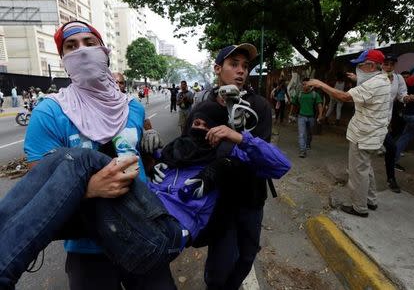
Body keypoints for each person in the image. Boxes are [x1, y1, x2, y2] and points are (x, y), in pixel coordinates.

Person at [0, 101, 291, 289]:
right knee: (65, 165)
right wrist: (144, 152)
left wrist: (240, 137)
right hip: (135, 223)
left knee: (79, 160)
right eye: (195, 124)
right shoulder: (173, 153)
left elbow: (280, 165)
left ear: (219, 130)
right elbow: (136, 169)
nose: (198, 130)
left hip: (166, 234)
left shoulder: (228, 158)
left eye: (207, 126)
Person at [23, 20, 169, 290]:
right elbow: (38, 183)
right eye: (71, 46)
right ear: (64, 60)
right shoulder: (50, 112)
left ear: (104, 53)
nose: (82, 51)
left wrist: (152, 153)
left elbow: (141, 156)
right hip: (88, 244)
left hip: (144, 229)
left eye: (90, 43)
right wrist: (87, 189)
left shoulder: (132, 107)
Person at [190, 43, 274, 290]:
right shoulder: (204, 109)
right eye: (233, 64)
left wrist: (239, 136)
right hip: (220, 202)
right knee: (220, 266)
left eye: (245, 66)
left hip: (252, 198)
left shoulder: (259, 106)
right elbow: (192, 155)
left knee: (247, 257)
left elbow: (264, 154)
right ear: (218, 69)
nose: (241, 71)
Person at [305, 49, 391, 217]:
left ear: (371, 65)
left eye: (361, 65)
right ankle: (371, 200)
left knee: (357, 172)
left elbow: (344, 97)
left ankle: (359, 207)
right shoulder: (383, 79)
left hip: (364, 135)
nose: (358, 68)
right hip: (372, 134)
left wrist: (320, 84)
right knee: (366, 167)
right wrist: (359, 79)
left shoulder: (374, 84)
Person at [379, 55, 414, 191]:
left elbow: (402, 95)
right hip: (371, 120)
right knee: (364, 150)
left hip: (384, 121)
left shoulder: (399, 78)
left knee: (392, 148)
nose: (389, 67)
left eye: (391, 64)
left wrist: (407, 98)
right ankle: (357, 176)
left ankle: (391, 179)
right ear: (381, 65)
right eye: (386, 64)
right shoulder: (376, 77)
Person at [291, 77, 324, 158]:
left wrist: (320, 115)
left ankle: (308, 144)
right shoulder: (299, 93)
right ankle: (302, 150)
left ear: (310, 85)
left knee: (309, 133)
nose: (304, 86)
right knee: (301, 134)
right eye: (303, 84)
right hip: (301, 117)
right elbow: (293, 104)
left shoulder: (314, 94)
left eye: (306, 84)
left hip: (311, 117)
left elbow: (319, 105)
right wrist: (290, 113)